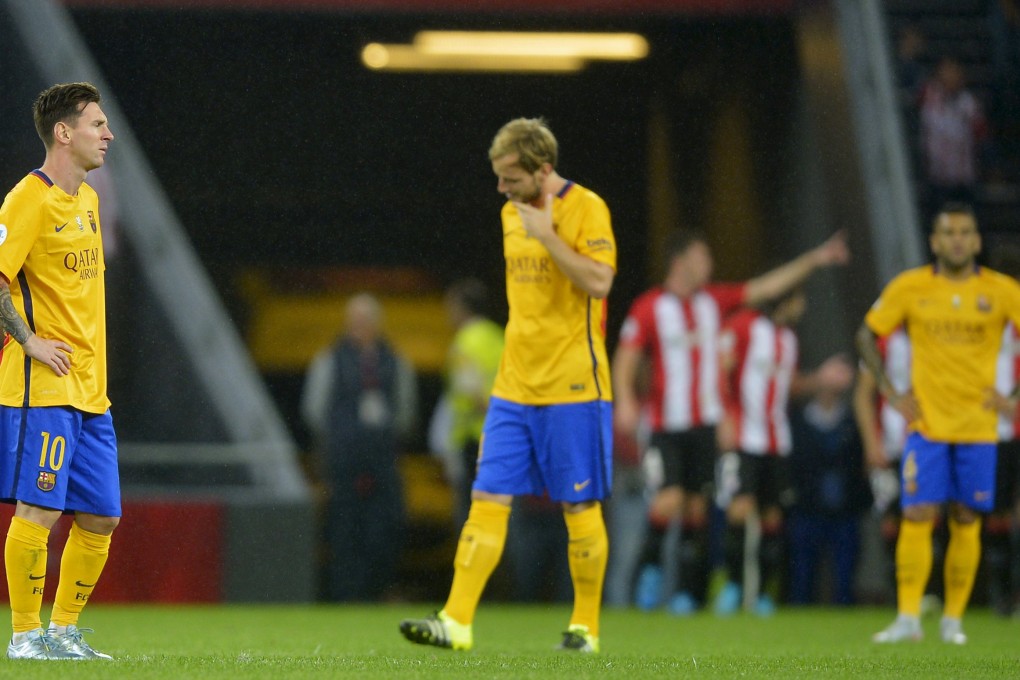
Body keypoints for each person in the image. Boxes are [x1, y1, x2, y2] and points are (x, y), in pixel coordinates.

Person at [399, 117, 616, 653]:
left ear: (543, 169)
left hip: (573, 386)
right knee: (487, 497)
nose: (501, 188)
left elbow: (599, 281)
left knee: (578, 508)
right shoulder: (508, 215)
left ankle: (585, 628)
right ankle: (457, 620)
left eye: (510, 177)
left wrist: (549, 238)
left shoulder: (587, 207)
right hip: (514, 387)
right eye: (498, 178)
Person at [613, 229, 849, 614]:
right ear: (681, 261)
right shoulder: (650, 306)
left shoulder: (714, 303)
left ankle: (689, 594)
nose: (709, 265)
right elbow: (627, 359)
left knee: (698, 509)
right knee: (668, 500)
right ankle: (649, 576)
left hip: (708, 425)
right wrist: (624, 400)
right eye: (703, 256)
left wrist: (813, 260)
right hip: (666, 425)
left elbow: (765, 286)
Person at [858, 202, 1020, 644]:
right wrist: (891, 393)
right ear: (934, 241)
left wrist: (1011, 399)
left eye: (965, 232)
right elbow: (866, 334)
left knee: (967, 519)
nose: (957, 239)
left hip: (978, 427)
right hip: (926, 425)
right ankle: (908, 618)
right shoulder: (910, 288)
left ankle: (952, 621)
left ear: (976, 240)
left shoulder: (1003, 291)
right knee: (917, 513)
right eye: (948, 232)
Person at [0, 82, 118, 661]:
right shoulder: (27, 198)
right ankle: (24, 636)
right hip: (43, 385)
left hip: (93, 390)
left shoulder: (89, 201)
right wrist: (29, 341)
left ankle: (64, 631)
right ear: (64, 133)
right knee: (40, 508)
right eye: (98, 124)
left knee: (101, 516)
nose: (108, 134)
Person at [713, 288, 854, 616]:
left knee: (772, 516)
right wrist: (724, 416)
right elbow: (720, 370)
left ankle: (764, 594)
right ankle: (731, 587)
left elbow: (790, 386)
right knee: (738, 509)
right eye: (799, 301)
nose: (802, 309)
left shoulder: (788, 340)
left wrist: (820, 379)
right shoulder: (745, 325)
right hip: (744, 437)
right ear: (786, 300)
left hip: (777, 440)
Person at [301, 293, 418, 602]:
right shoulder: (330, 359)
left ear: (377, 324)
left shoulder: (395, 361)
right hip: (344, 462)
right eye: (353, 320)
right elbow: (315, 410)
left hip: (382, 462)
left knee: (383, 530)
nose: (357, 326)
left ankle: (374, 592)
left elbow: (406, 411)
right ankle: (345, 596)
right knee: (344, 532)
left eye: (364, 320)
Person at [787, 372, 872, 606]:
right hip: (808, 507)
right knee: (803, 573)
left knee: (845, 574)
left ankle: (843, 613)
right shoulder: (799, 421)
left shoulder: (853, 421)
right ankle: (799, 614)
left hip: (844, 508)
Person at [432, 278, 505, 529]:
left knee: (471, 518)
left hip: (474, 440)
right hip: (501, 436)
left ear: (462, 308)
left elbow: (472, 392)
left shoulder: (465, 342)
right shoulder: (498, 337)